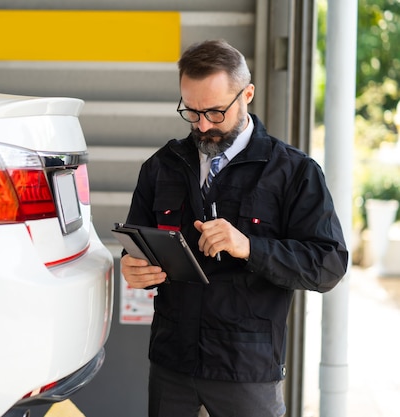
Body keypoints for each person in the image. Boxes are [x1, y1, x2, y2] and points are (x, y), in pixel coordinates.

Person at [120, 39, 348, 417]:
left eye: (215, 112)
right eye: (191, 112)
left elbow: (328, 265)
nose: (203, 125)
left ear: (248, 94)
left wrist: (250, 247)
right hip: (171, 362)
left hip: (246, 368)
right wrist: (134, 269)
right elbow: (138, 247)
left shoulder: (293, 171)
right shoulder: (160, 167)